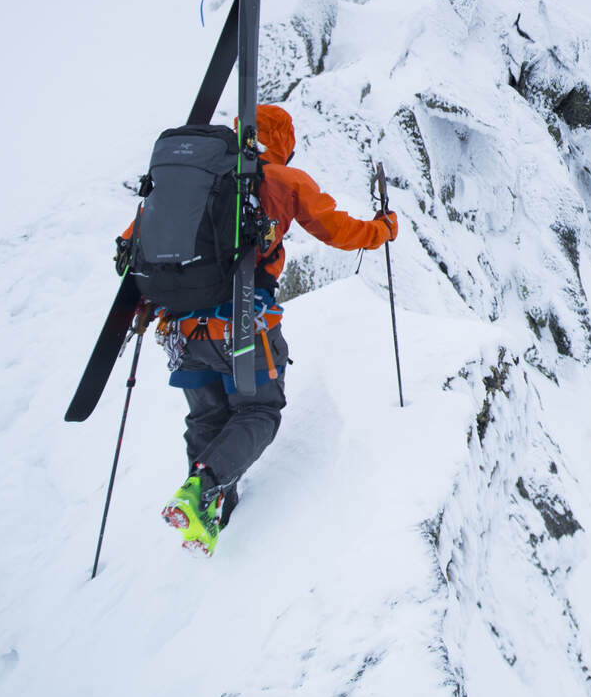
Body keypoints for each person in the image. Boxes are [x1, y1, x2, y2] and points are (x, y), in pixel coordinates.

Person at [137, 103, 397, 555]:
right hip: (239, 325)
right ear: (284, 143)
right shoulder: (280, 180)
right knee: (259, 411)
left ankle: (209, 515)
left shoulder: (193, 185)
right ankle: (205, 494)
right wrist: (383, 230)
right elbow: (337, 230)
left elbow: (138, 239)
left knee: (206, 417)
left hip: (181, 329)